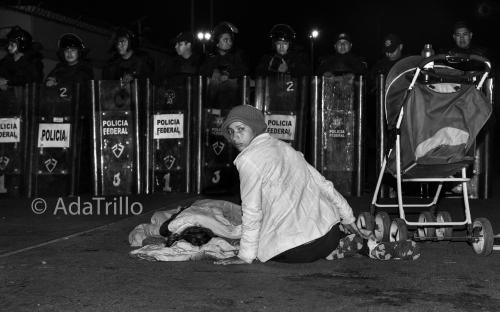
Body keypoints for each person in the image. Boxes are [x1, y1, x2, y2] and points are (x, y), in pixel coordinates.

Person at [215, 105, 421, 265]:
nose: (235, 137)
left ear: (256, 127)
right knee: (319, 226)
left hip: (296, 252)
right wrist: (348, 217)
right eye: (231, 132)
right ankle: (363, 245)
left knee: (262, 250)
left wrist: (246, 255)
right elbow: (323, 184)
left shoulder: (248, 160)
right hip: (328, 235)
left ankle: (348, 247)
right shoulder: (285, 148)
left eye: (241, 129)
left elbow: (252, 210)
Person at [0, 25, 43, 91]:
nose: (8, 47)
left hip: (26, 96)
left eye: (12, 45)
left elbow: (29, 79)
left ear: (22, 45)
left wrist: (7, 82)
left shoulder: (33, 61)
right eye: (9, 44)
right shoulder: (8, 59)